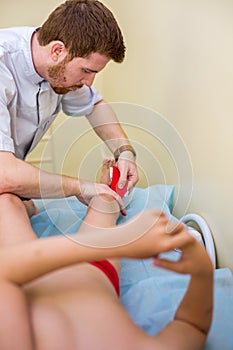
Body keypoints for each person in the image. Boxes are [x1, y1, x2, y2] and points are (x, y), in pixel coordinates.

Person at [0, 160, 213, 350]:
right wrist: (202, 270)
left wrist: (118, 242)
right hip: (93, 274)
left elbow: (5, 270)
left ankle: (26, 206)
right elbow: (192, 326)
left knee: (6, 202)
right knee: (104, 204)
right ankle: (107, 191)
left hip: (26, 275)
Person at [0, 0, 138, 217]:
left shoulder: (57, 65)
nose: (89, 82)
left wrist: (125, 152)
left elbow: (94, 106)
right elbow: (5, 175)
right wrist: (81, 187)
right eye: (86, 71)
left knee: (21, 208)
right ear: (57, 50)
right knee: (11, 205)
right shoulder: (3, 65)